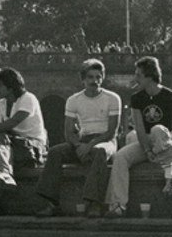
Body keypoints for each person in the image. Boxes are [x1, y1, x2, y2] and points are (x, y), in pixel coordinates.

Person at [35, 59, 121, 218]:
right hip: (82, 140)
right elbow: (68, 132)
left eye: (98, 77)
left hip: (105, 141)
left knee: (100, 152)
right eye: (90, 77)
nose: (94, 81)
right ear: (83, 80)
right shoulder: (73, 100)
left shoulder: (113, 98)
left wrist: (90, 146)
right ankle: (51, 203)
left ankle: (94, 203)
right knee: (55, 152)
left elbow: (111, 132)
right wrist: (78, 145)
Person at [104, 56, 172, 217]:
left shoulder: (170, 96)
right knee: (120, 157)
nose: (135, 78)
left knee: (157, 129)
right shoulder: (137, 98)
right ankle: (117, 205)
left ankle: (165, 160)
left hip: (166, 138)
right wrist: (147, 150)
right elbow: (140, 129)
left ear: (150, 76)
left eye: (139, 75)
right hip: (148, 142)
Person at [0, 68, 47, 222]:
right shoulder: (0, 105)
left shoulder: (28, 99)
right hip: (10, 148)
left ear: (10, 87)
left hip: (33, 147)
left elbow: (12, 122)